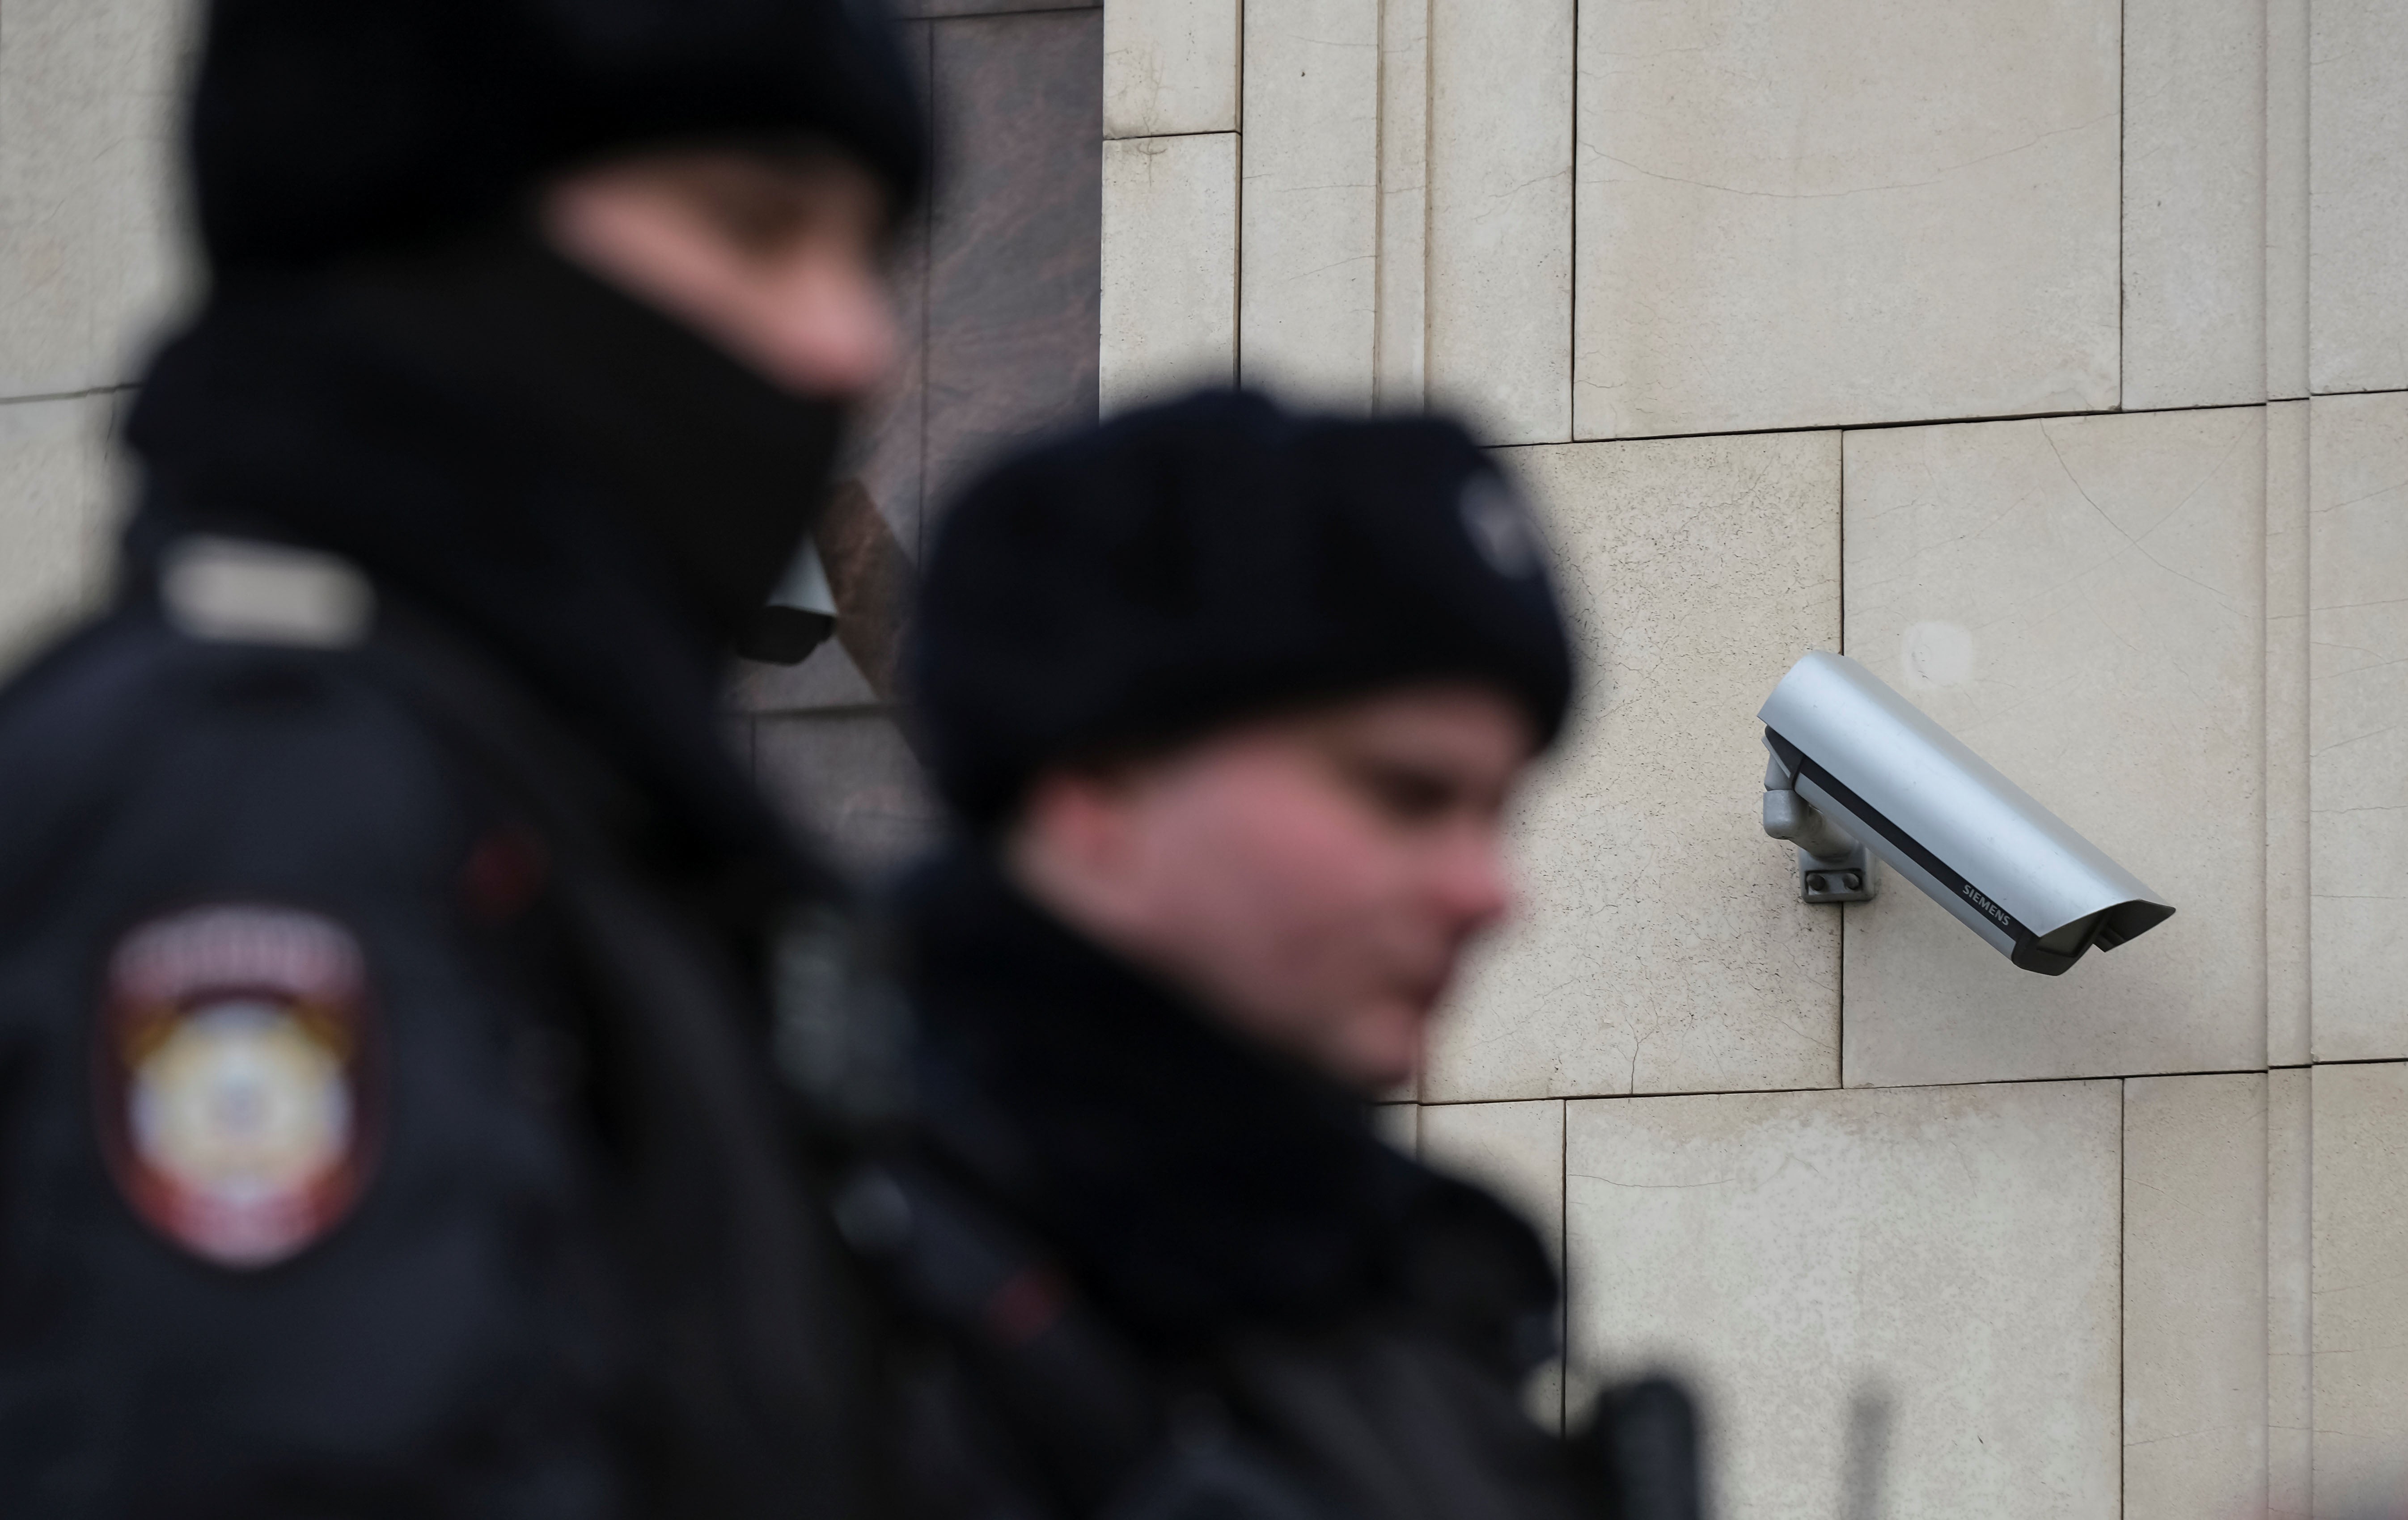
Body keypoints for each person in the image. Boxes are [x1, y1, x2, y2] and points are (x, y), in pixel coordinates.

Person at [0, 0, 926, 1513]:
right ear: (427, 224)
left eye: (865, 251)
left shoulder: (583, 811)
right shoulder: (259, 789)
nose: (852, 339)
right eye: (754, 230)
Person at [855, 391, 1701, 1519]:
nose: (1487, 892)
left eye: (1496, 813)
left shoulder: (1404, 1299)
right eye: (1406, 796)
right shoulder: (788, 1250)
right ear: (1098, 785)